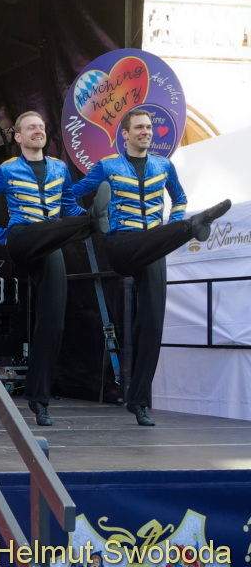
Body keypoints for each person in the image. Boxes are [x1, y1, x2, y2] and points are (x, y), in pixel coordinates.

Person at [71, 109, 230, 426]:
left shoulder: (164, 165)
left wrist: (173, 221)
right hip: (122, 244)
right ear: (125, 134)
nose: (146, 132)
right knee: (171, 233)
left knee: (152, 324)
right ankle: (190, 228)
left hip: (154, 243)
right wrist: (92, 221)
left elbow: (179, 198)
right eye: (139, 127)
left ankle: (139, 401)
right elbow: (70, 195)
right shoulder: (108, 166)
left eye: (148, 127)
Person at [0, 111, 107, 426]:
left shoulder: (60, 168)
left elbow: (68, 207)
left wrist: (82, 216)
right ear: (18, 136)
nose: (38, 131)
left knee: (53, 321)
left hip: (51, 243)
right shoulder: (6, 170)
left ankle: (39, 399)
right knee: (61, 227)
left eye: (41, 127)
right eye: (31, 127)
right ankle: (92, 222)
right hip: (23, 238)